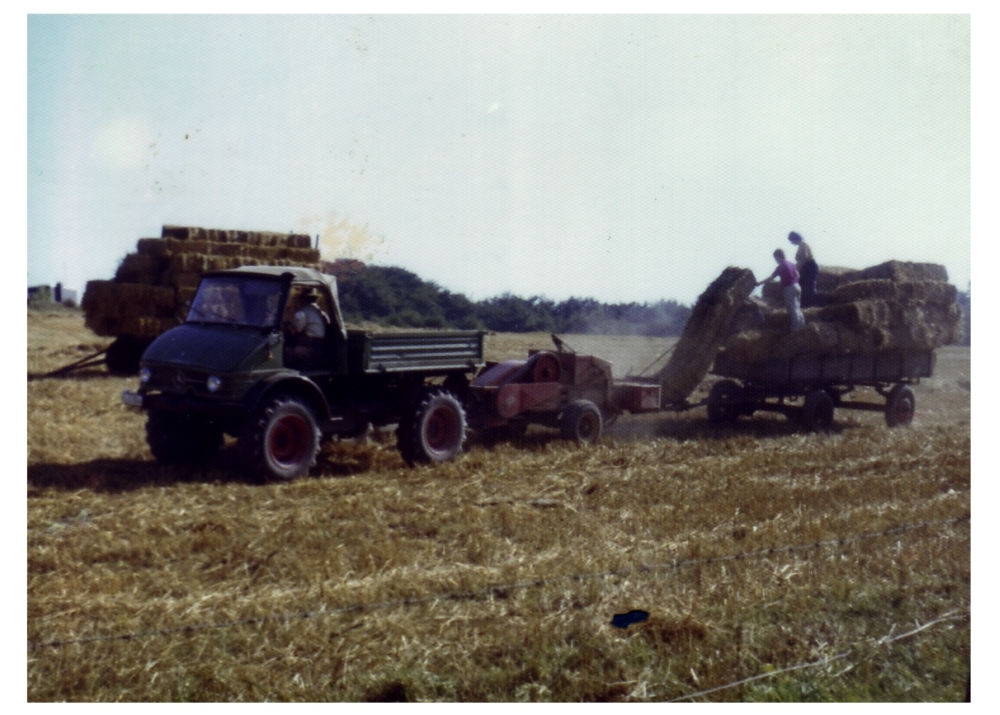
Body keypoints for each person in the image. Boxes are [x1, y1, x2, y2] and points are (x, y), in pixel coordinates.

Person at [757, 248, 805, 332]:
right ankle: (802, 326)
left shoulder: (781, 266)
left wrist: (759, 283)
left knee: (792, 308)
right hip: (797, 286)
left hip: (789, 288)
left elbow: (771, 278)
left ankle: (796, 329)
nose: (775, 260)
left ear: (778, 257)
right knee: (797, 307)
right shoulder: (791, 264)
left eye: (775, 258)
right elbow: (798, 275)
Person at [285, 289, 329, 367]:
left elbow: (295, 330)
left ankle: (290, 371)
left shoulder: (304, 312)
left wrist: (286, 327)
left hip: (310, 348)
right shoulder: (321, 312)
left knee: (286, 351)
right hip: (321, 348)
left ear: (303, 299)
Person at [788, 231, 819, 308]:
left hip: (809, 266)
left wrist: (797, 268)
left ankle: (811, 305)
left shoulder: (803, 245)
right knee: (805, 285)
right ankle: (806, 305)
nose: (792, 243)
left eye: (791, 241)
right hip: (807, 267)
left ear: (794, 239)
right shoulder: (801, 246)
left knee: (808, 286)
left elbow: (804, 258)